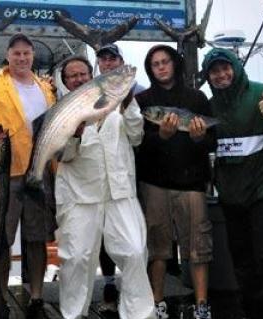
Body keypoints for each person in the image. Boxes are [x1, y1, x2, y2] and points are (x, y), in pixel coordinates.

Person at [55, 55, 155, 319]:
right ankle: (72, 314)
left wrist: (129, 102)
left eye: (82, 74)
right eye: (72, 75)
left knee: (134, 252)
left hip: (120, 192)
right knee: (76, 259)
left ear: (92, 76)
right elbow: (63, 156)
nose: (78, 78)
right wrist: (74, 136)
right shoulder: (63, 109)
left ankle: (139, 314)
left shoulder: (117, 103)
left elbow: (136, 136)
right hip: (79, 196)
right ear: (65, 82)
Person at [202, 47, 263, 319]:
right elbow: (206, 146)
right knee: (242, 264)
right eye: (214, 71)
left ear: (236, 68)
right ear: (208, 76)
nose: (221, 75)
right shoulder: (209, 107)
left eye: (225, 68)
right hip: (231, 199)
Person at [0, 33, 56, 318]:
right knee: (1, 239)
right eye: (17, 53)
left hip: (39, 171)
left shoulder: (45, 87)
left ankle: (36, 297)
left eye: (27, 53)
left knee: (36, 239)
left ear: (32, 56)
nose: (22, 58)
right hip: (5, 173)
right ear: (7, 56)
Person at [135, 45, 215, 319]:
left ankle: (202, 305)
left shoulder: (198, 98)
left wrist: (198, 138)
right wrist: (162, 137)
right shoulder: (142, 101)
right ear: (150, 69)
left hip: (192, 182)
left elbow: (211, 142)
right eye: (155, 63)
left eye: (165, 61)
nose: (160, 67)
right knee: (157, 248)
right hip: (154, 183)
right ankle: (157, 303)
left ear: (175, 64)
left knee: (198, 247)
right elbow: (137, 144)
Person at [95, 42, 146, 313]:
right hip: (92, 185)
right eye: (103, 59)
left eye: (112, 59)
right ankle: (109, 285)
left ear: (120, 62)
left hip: (123, 183)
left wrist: (128, 105)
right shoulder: (88, 91)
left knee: (131, 242)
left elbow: (137, 137)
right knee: (102, 239)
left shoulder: (133, 92)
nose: (108, 63)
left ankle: (132, 293)